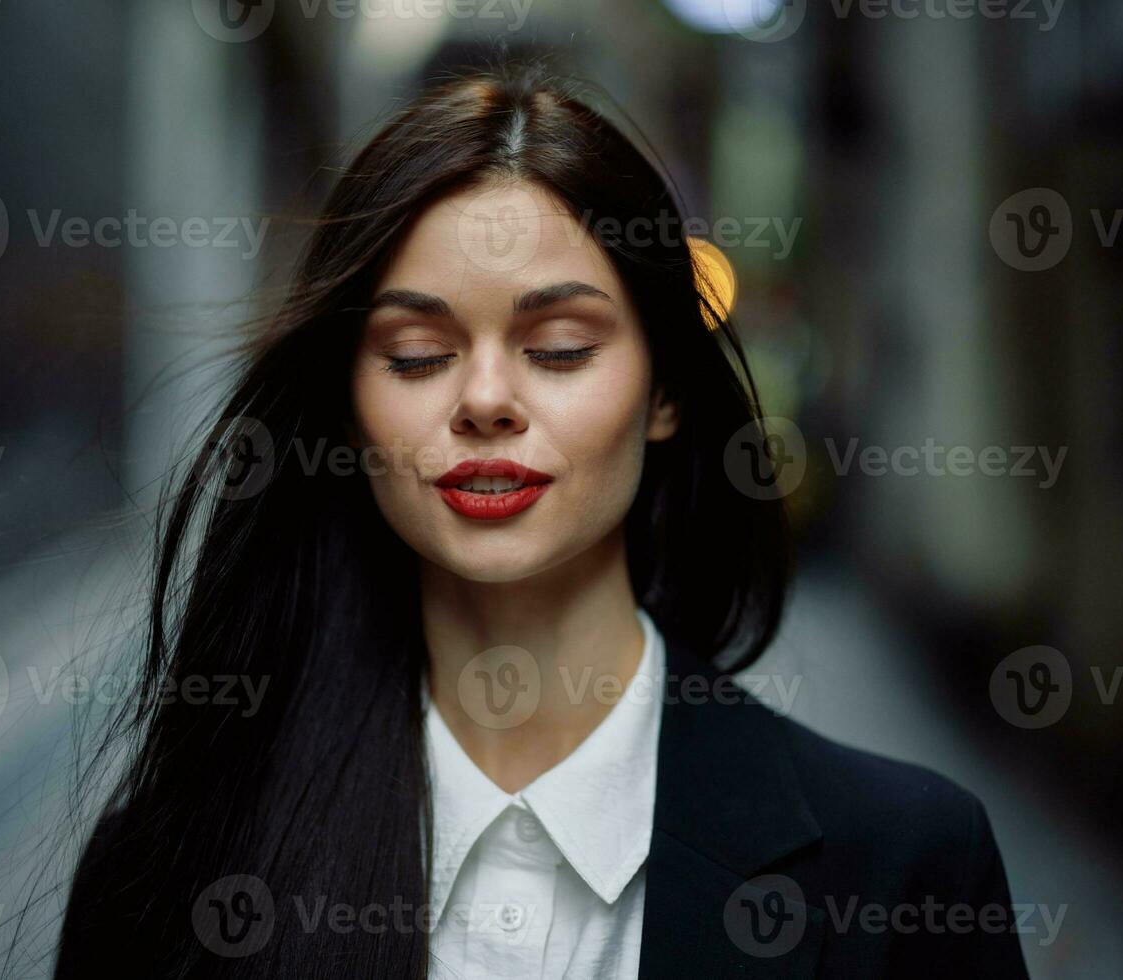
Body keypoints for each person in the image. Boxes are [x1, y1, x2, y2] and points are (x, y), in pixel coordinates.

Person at [54, 64, 1028, 979]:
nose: (485, 398)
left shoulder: (904, 869)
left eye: (558, 347)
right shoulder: (176, 870)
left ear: (664, 391)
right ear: (348, 407)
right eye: (417, 351)